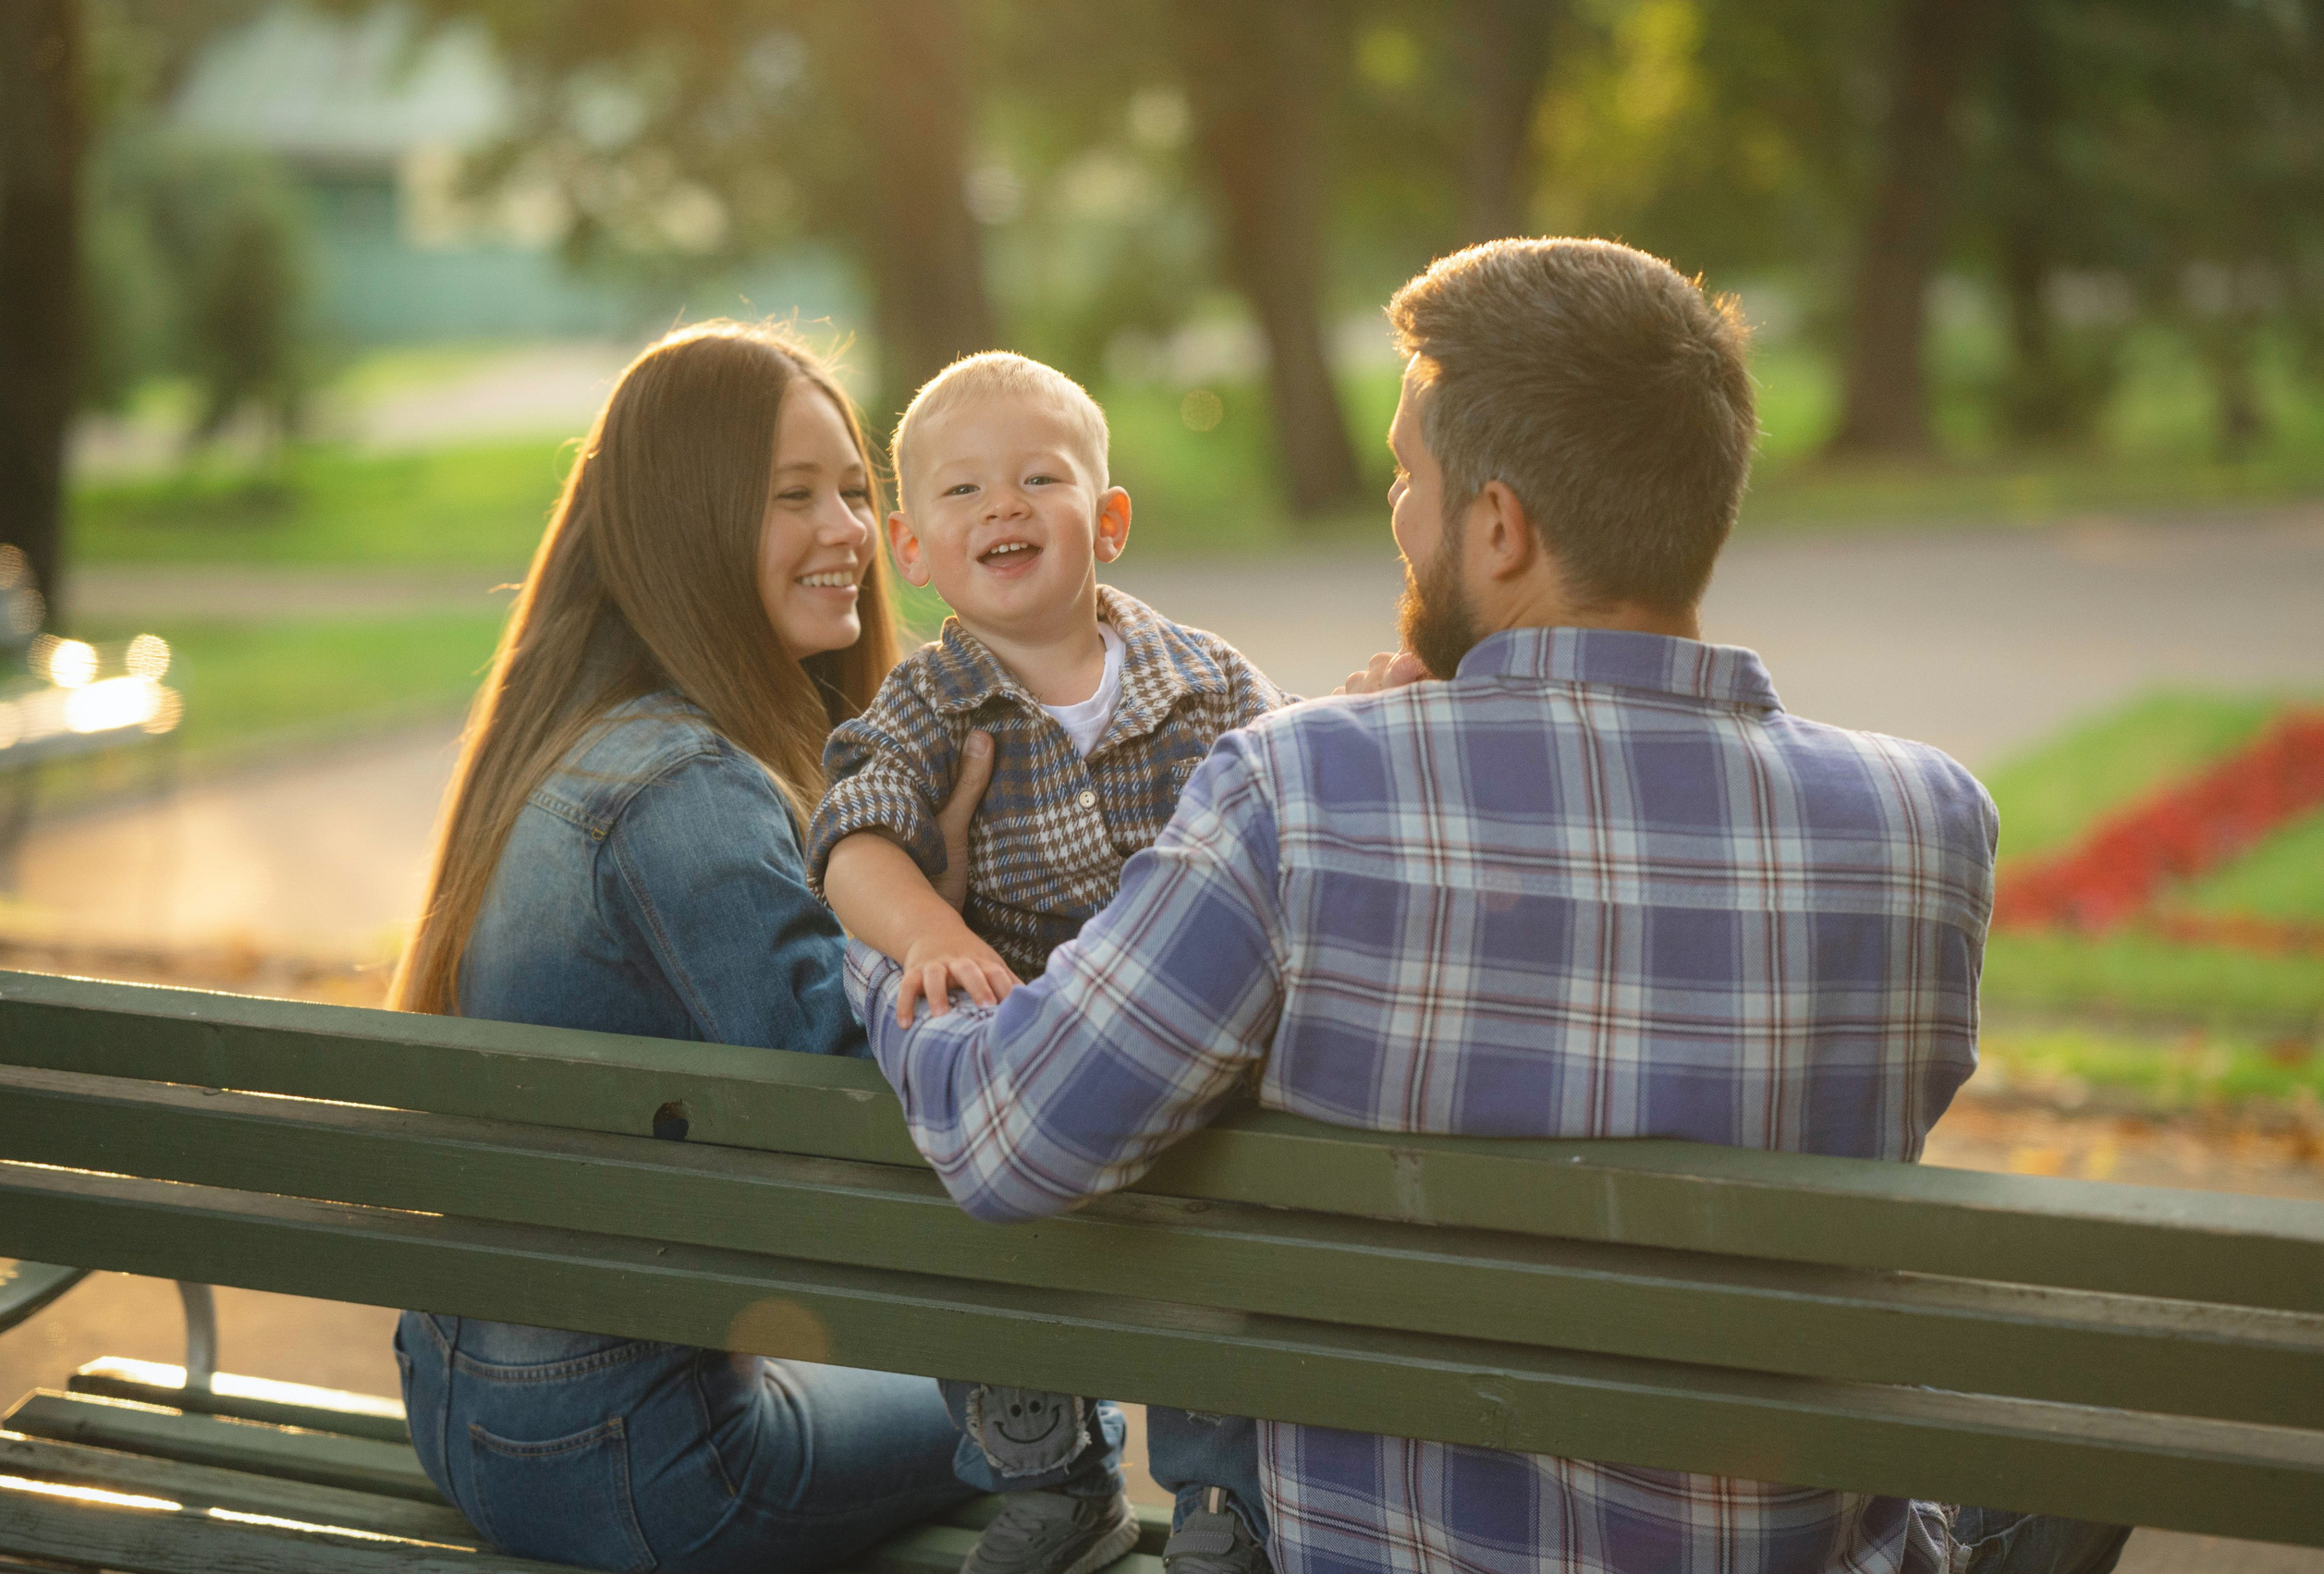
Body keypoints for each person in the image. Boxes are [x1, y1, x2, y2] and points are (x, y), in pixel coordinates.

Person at [825, 240, 2135, 1574]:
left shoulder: (1298, 793)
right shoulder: (1927, 826)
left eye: (1410, 478)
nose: (1398, 515)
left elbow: (1013, 1140)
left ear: (1500, 528)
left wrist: (907, 934)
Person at [386, 321, 1004, 1574]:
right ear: (687, 524)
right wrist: (928, 912)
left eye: (853, 490)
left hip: (461, 1401)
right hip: (640, 1460)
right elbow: (870, 1119)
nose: (847, 530)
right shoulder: (685, 791)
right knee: (1057, 1414)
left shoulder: (579, 737)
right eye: (793, 496)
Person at [806, 351, 1287, 1574]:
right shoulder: (928, 706)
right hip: (1017, 1053)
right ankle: (1055, 1482)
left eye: (1038, 479)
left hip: (1192, 1061)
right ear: (911, 548)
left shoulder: (1210, 683)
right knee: (976, 1250)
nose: (1002, 507)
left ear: (1108, 521)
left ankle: (1225, 1501)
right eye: (962, 491)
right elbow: (853, 839)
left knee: (1219, 1278)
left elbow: (1298, 820)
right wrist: (928, 930)